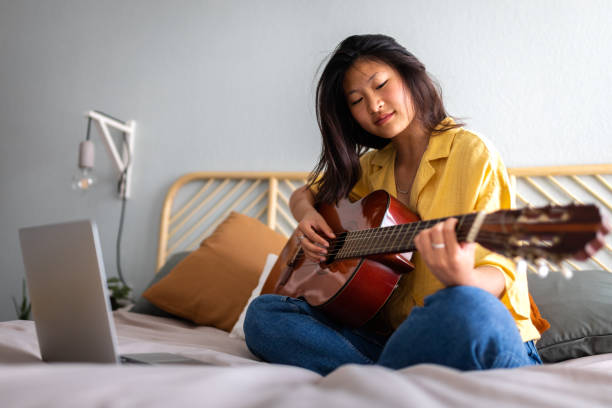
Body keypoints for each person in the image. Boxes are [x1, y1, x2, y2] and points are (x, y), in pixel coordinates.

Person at [243, 34, 610, 376]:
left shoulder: (471, 151)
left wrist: (462, 279)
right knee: (264, 315)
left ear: (408, 74)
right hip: (397, 339)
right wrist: (304, 213)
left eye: (381, 84)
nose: (375, 104)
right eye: (356, 101)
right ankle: (395, 379)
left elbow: (501, 272)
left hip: (470, 329)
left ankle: (375, 379)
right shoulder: (370, 168)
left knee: (469, 307)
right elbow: (306, 192)